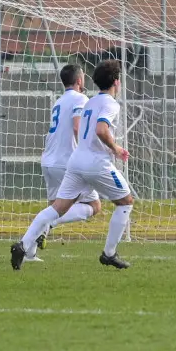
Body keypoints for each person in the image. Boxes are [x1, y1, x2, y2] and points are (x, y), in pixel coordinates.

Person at [12, 59, 133, 270]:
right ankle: (109, 253)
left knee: (57, 208)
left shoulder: (90, 101)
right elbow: (101, 130)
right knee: (126, 202)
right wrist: (116, 148)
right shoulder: (110, 103)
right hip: (95, 163)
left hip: (75, 161)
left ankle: (23, 245)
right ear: (116, 82)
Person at [26, 63, 103, 262]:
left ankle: (29, 253)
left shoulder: (59, 101)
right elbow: (78, 127)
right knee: (94, 205)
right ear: (79, 80)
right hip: (67, 162)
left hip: (49, 160)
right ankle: (51, 224)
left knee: (52, 207)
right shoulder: (81, 98)